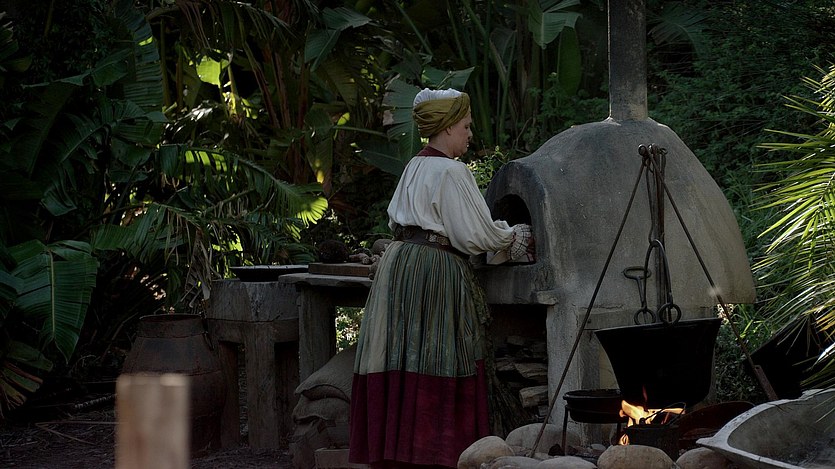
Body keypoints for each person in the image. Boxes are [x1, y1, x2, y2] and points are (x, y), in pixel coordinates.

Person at [348, 88, 533, 469]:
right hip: (433, 268)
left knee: (403, 351)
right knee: (440, 353)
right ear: (447, 127)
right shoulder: (452, 171)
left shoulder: (414, 165)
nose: (469, 134)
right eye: (466, 126)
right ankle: (436, 454)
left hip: (399, 264)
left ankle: (399, 452)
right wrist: (513, 236)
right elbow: (476, 235)